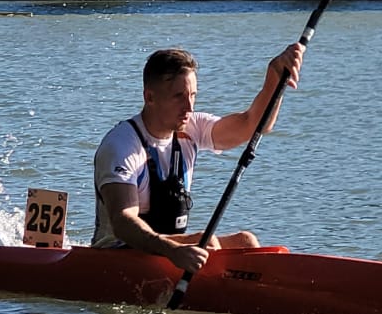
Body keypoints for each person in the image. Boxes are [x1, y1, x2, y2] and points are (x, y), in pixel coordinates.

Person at [92, 44, 304, 274]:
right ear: (150, 97)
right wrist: (173, 250)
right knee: (208, 241)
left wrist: (274, 77)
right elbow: (122, 222)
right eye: (179, 96)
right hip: (116, 256)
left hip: (165, 251)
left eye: (193, 95)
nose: (189, 107)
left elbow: (252, 125)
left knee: (246, 241)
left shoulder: (191, 128)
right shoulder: (122, 145)